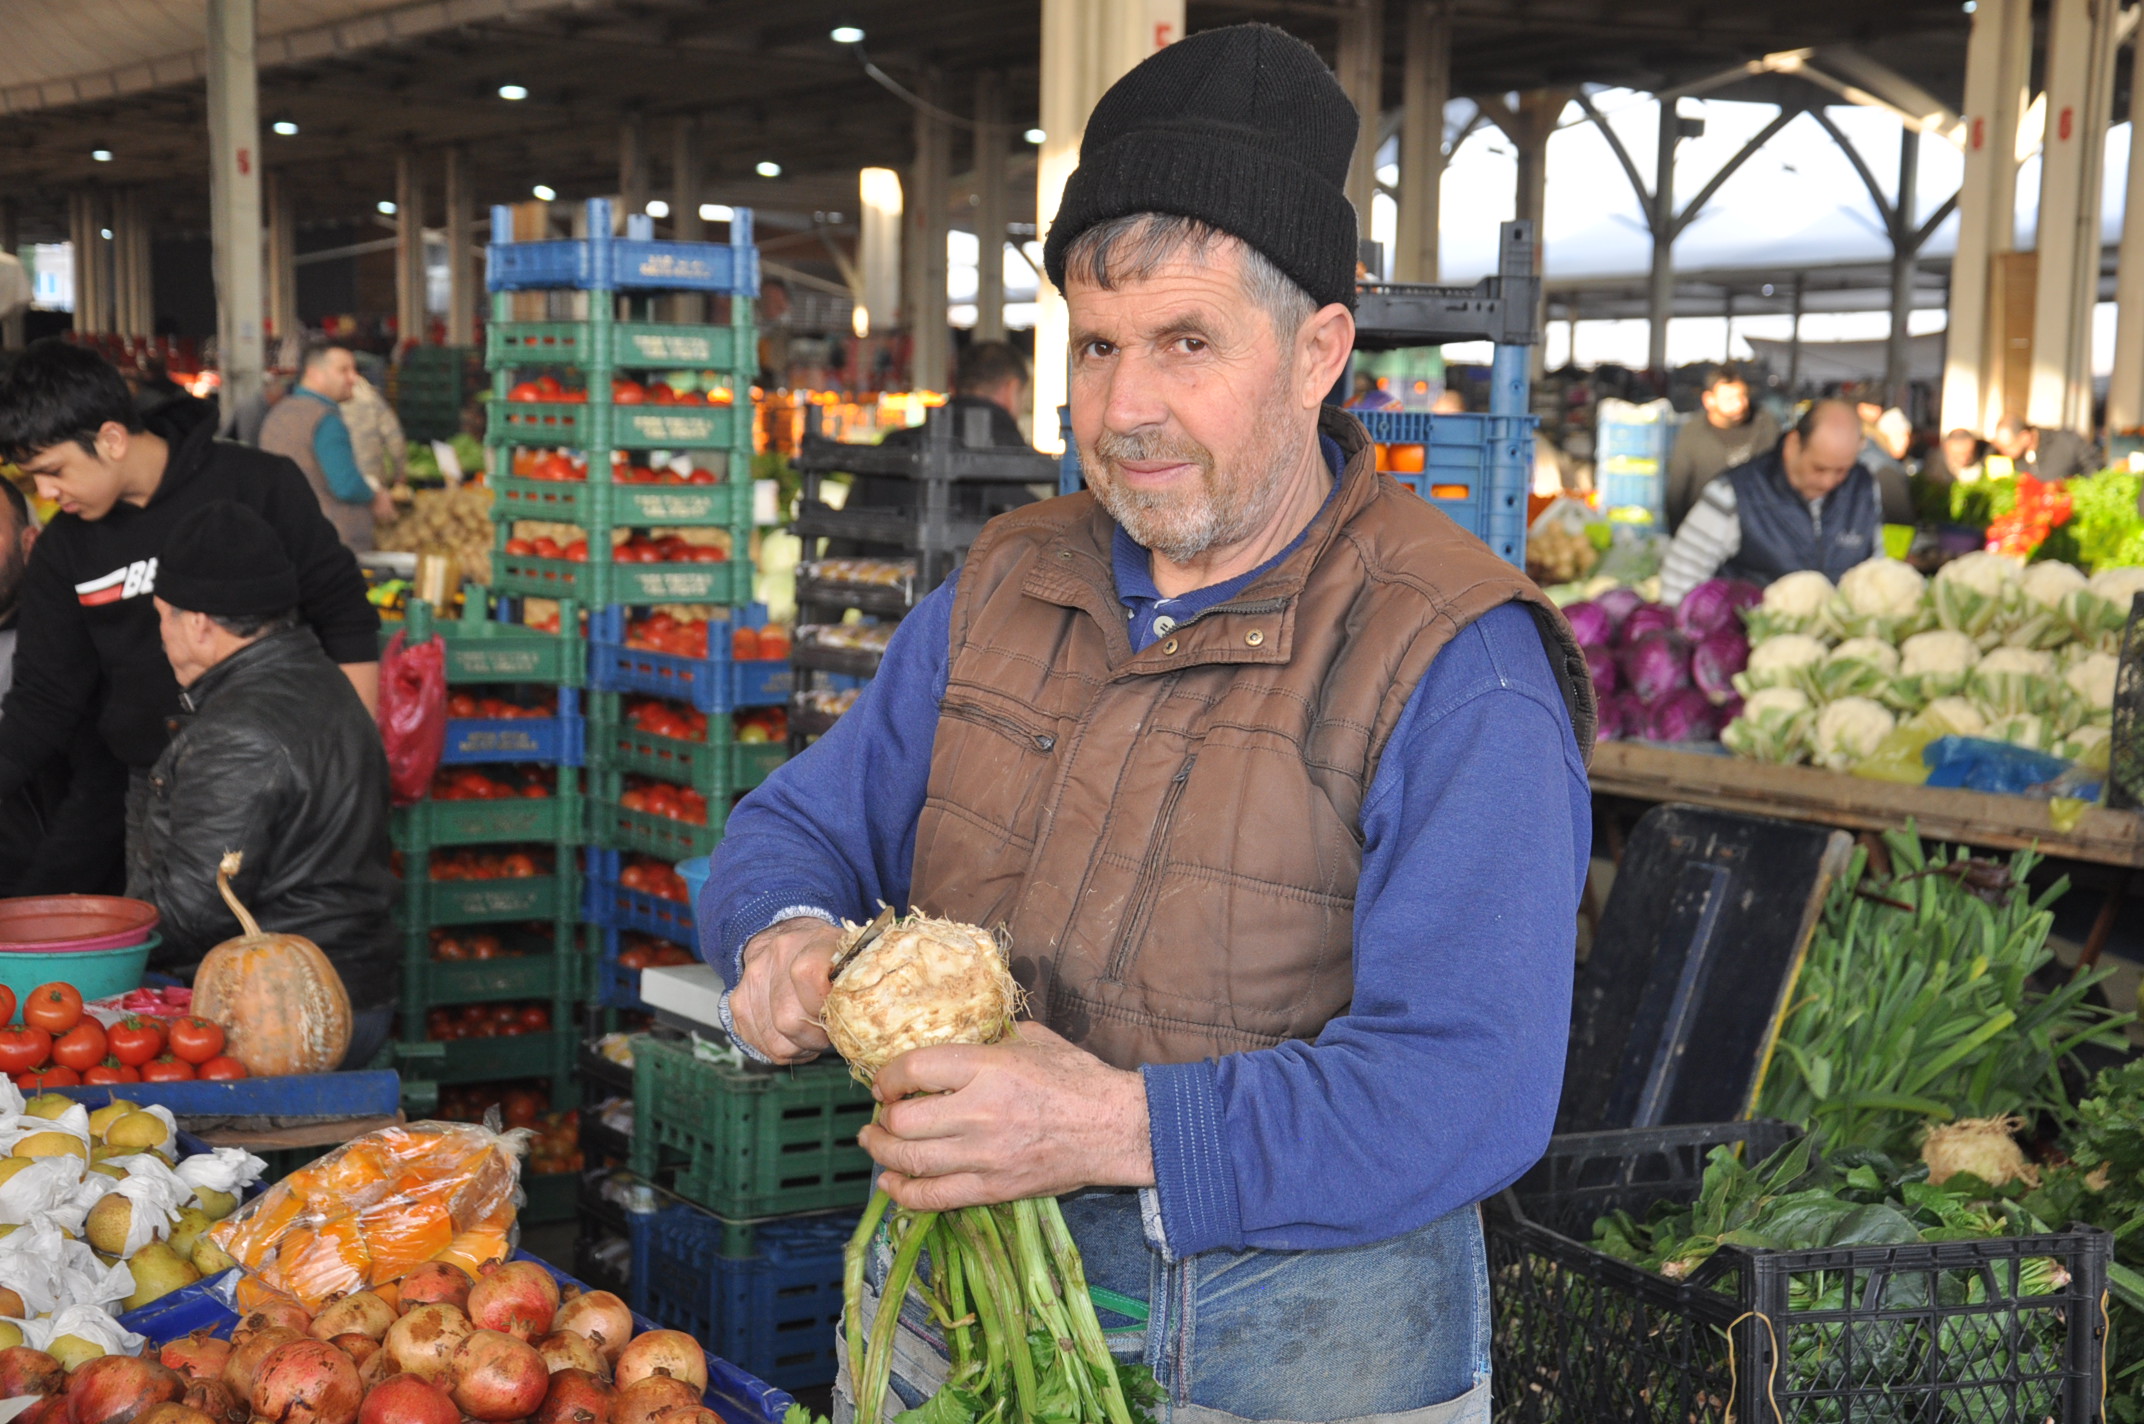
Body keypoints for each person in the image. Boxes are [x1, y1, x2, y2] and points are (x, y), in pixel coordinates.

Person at [705, 23, 1593, 1424]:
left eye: (1189, 344)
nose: (1127, 409)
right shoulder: (1008, 579)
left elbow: (1468, 1087)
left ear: (1318, 352)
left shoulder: (1453, 656)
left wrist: (1110, 1125)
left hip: (1291, 1373)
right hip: (951, 1330)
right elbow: (800, 823)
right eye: (1098, 345)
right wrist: (781, 936)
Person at [0, 341, 382, 881]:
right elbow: (43, 699)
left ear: (110, 439)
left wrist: (357, 765)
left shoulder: (257, 486)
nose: (45, 491)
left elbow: (346, 617)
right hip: (151, 795)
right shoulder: (67, 549)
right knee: (175, 946)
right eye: (32, 476)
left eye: (53, 470)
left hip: (285, 781)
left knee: (286, 950)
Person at [134, 502, 397, 1070]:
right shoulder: (321, 679)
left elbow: (189, 917)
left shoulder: (241, 732)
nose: (161, 636)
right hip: (350, 988)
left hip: (288, 1016)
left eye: (162, 616)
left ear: (197, 621)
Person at [0, 474, 127, 896]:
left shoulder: (77, 645)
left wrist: (38, 906)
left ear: (30, 543)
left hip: (52, 899)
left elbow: (101, 792)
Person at [1659, 398, 1881, 603]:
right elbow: (1680, 577)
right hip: (1750, 639)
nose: (1828, 481)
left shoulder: (1864, 490)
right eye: (1819, 468)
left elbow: (1876, 571)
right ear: (1794, 445)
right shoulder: (1733, 493)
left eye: (1842, 471)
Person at [259, 343, 399, 550]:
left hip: (286, 536)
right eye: (344, 370)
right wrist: (375, 496)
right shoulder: (325, 419)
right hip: (333, 541)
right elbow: (346, 485)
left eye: (354, 370)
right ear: (315, 374)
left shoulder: (277, 414)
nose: (354, 378)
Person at [1664, 365, 1779, 531]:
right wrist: (1677, 531)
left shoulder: (1765, 425)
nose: (1739, 404)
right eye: (1729, 399)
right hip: (1703, 526)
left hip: (1753, 529)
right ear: (1708, 400)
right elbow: (1677, 489)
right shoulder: (1693, 433)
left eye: (1742, 396)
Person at [342, 367, 407, 496]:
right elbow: (395, 437)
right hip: (372, 481)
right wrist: (400, 474)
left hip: (336, 484)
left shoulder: (318, 402)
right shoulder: (370, 396)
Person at [1991, 412, 2099, 481]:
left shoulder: (2067, 441)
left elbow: (2095, 470)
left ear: (2025, 437)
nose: (2004, 452)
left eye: (2008, 447)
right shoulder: (2010, 460)